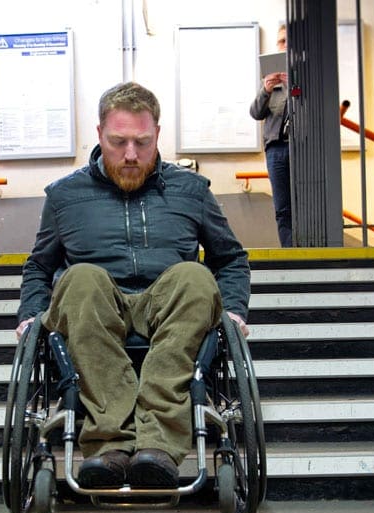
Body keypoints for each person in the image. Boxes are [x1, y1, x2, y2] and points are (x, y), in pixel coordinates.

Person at [15, 81, 251, 491]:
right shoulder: (65, 196)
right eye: (118, 141)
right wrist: (30, 315)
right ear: (99, 135)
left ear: (157, 135)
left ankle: (157, 447)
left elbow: (230, 259)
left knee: (195, 275)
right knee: (80, 277)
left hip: (169, 306)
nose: (130, 154)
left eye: (142, 142)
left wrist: (233, 309)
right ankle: (109, 445)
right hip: (97, 308)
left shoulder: (191, 191)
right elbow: (39, 266)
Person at [249, 21, 293, 247]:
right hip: (276, 149)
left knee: (305, 204)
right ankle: (290, 253)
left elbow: (312, 108)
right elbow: (256, 113)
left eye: (288, 41)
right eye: (281, 41)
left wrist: (294, 85)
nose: (284, 45)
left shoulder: (308, 75)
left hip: (301, 148)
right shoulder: (270, 79)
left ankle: (308, 251)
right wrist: (266, 89)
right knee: (282, 207)